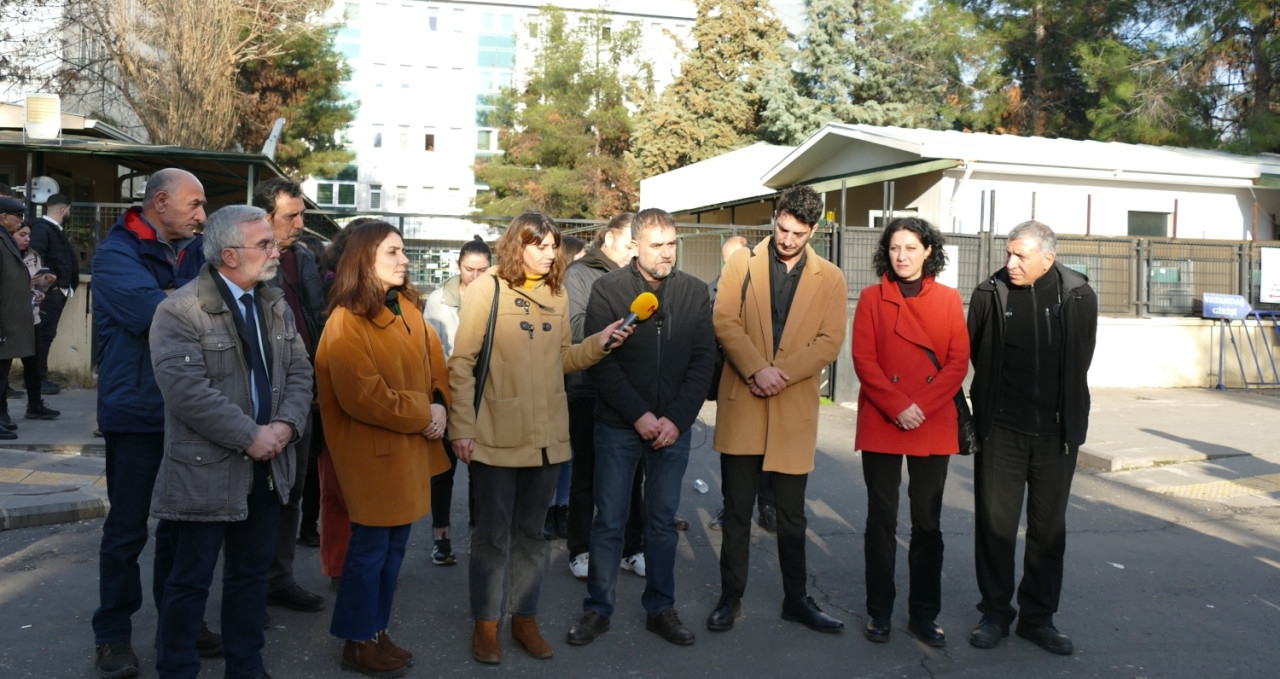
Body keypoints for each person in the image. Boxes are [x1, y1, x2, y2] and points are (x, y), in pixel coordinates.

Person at [447, 210, 632, 665]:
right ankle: (486, 625)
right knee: (492, 536)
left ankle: (523, 619)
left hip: (549, 437)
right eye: (541, 246)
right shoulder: (486, 289)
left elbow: (564, 359)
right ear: (518, 246)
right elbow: (462, 363)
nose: (550, 254)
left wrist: (600, 342)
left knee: (533, 535)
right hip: (494, 435)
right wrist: (462, 430)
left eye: (553, 246)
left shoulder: (558, 291)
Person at [148, 205, 313, 679]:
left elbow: (301, 371)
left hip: (267, 466)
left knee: (249, 578)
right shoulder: (179, 311)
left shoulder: (274, 305)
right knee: (189, 582)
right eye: (263, 244)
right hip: (205, 470)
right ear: (229, 255)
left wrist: (283, 429)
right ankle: (177, 669)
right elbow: (186, 393)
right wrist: (251, 436)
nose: (274, 250)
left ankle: (246, 667)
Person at [566, 208, 716, 647]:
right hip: (618, 425)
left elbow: (703, 360)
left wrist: (676, 418)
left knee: (662, 522)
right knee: (609, 520)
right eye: (657, 245)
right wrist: (639, 415)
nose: (667, 253)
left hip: (673, 427)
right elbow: (601, 364)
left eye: (672, 244)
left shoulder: (692, 292)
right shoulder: (607, 290)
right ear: (635, 245)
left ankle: (661, 608)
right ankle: (597, 610)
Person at [90, 169, 216, 679]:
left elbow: (220, 306)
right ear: (160, 202)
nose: (203, 216)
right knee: (127, 530)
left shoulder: (194, 248)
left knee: (180, 528)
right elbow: (155, 317)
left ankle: (177, 625)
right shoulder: (115, 252)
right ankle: (113, 635)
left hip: (186, 411)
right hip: (136, 411)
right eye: (195, 205)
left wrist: (174, 295)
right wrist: (188, 301)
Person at [705, 185, 848, 634]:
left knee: (792, 515)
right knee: (736, 511)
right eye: (783, 228)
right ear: (775, 216)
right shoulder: (740, 265)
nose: (788, 240)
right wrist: (755, 370)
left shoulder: (832, 278)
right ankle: (731, 598)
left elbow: (830, 341)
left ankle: (796, 599)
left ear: (814, 230)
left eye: (799, 234)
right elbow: (724, 320)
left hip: (792, 406)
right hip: (744, 402)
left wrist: (777, 373)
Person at [316, 220, 452, 677]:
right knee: (370, 553)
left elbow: (436, 363)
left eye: (403, 251)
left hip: (407, 453)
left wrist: (439, 403)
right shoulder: (344, 322)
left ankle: (375, 630)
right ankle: (357, 641)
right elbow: (363, 397)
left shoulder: (406, 309)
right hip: (372, 458)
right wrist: (425, 413)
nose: (405, 260)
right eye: (393, 252)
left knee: (392, 552)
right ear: (364, 260)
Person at [967, 220, 1097, 655]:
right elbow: (974, 350)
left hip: (1056, 435)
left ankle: (1038, 619)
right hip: (1001, 430)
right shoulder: (990, 293)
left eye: (1021, 256)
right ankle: (995, 614)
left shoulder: (1078, 295)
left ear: (1048, 258)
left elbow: (1081, 358)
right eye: (1008, 253)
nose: (1011, 263)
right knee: (995, 527)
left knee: (1047, 531)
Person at [851, 217, 969, 647]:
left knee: (928, 523)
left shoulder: (950, 299)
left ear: (928, 252)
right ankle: (879, 612)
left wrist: (921, 407)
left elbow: (958, 361)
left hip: (931, 419)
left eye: (911, 248)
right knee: (880, 520)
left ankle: (924, 614)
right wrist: (900, 406)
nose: (902, 256)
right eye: (895, 248)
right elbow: (864, 360)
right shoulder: (870, 298)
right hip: (886, 416)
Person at [251, 177, 328, 614]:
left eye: (302, 214)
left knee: (294, 491)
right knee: (258, 497)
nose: (300, 224)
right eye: (291, 216)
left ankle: (278, 580)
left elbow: (313, 320)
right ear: (264, 217)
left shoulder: (304, 257)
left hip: (303, 393)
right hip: (262, 400)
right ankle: (249, 589)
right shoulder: (245, 261)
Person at [562, 212, 647, 580]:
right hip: (587, 387)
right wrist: (623, 319)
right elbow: (578, 327)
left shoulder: (643, 275)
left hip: (631, 390)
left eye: (638, 245)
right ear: (609, 238)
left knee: (632, 476)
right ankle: (579, 548)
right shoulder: (580, 274)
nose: (635, 252)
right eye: (631, 243)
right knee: (587, 473)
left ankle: (633, 547)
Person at [423, 234, 492, 566]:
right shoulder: (438, 300)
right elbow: (430, 352)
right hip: (448, 392)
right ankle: (441, 537)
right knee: (443, 470)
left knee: (483, 468)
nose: (476, 277)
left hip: (487, 394)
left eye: (483, 269)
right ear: (458, 267)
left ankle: (481, 535)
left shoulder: (498, 297)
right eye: (469, 269)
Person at [706, 235, 777, 534]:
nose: (731, 264)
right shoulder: (714, 289)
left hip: (769, 380)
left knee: (768, 447)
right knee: (733, 452)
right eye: (727, 259)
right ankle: (732, 507)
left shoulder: (770, 286)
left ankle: (768, 506)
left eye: (737, 257)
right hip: (731, 381)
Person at [27, 192, 79, 395]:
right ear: (64, 210)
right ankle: (38, 380)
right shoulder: (43, 229)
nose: (70, 213)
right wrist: (51, 284)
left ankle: (40, 379)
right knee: (43, 336)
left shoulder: (52, 229)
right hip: (47, 294)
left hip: (55, 292)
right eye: (70, 210)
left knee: (46, 335)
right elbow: (37, 258)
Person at [0, 197, 43, 441]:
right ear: (4, 217)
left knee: (3, 371)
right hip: (4, 319)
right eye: (17, 216)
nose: (20, 221)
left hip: (11, 318)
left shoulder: (6, 238)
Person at [15, 222, 57, 325]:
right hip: (10, 317)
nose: (28, 239)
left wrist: (45, 282)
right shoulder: (5, 255)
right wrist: (25, 283)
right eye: (22, 235)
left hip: (32, 317)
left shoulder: (33, 256)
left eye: (29, 235)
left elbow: (38, 287)